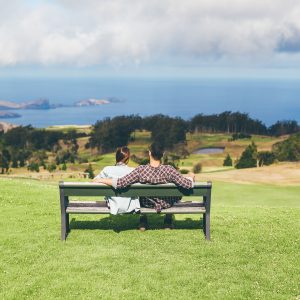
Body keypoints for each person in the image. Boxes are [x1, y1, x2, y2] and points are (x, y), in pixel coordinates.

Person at [94, 142, 194, 230]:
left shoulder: (141, 170)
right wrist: (191, 177)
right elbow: (187, 184)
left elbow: (120, 183)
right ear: (162, 154)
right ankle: (168, 221)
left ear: (149, 153)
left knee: (140, 196)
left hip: (146, 204)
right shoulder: (169, 169)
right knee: (174, 194)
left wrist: (101, 179)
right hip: (166, 203)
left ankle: (143, 221)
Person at [93, 146, 140, 215]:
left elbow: (94, 181)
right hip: (131, 205)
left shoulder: (107, 169)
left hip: (113, 205)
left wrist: (103, 180)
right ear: (127, 159)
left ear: (116, 157)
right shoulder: (133, 171)